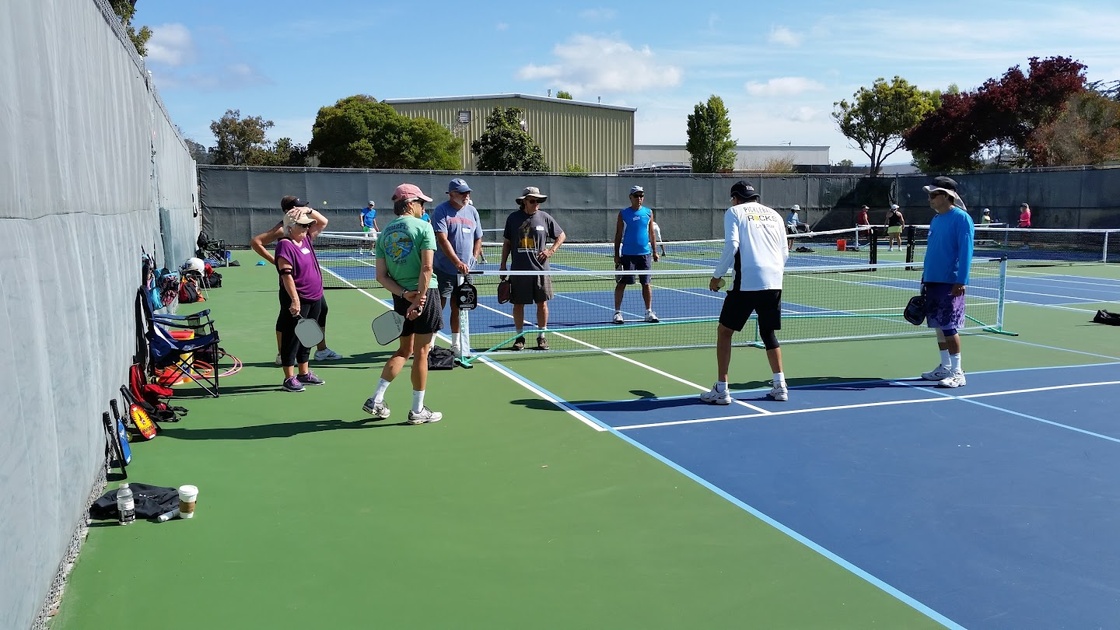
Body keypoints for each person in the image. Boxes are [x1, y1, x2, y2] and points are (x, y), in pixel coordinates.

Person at [701, 181, 790, 405]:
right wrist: (773, 273)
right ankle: (780, 386)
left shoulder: (734, 212)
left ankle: (722, 389)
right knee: (768, 332)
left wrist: (717, 275)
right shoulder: (775, 215)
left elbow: (732, 245)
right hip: (774, 280)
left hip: (747, 282)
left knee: (724, 332)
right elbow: (784, 252)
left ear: (735, 198)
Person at [363, 183, 443, 424]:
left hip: (401, 298)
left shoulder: (385, 233)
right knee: (421, 352)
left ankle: (376, 398)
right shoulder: (424, 227)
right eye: (421, 202)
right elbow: (427, 267)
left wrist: (405, 294)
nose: (423, 207)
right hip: (426, 296)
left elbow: (381, 276)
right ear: (410, 204)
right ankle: (418, 411)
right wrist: (419, 298)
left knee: (403, 350)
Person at [250, 204, 344, 364]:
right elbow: (256, 242)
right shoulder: (284, 232)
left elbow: (323, 221)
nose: (304, 208)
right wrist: (277, 262)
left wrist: (309, 211)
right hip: (293, 287)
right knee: (289, 322)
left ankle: (319, 352)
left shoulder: (305, 233)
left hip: (312, 289)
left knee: (319, 314)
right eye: (300, 206)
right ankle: (284, 357)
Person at [918, 176, 974, 389]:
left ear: (947, 196)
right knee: (939, 326)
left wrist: (961, 280)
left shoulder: (961, 218)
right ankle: (945, 366)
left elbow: (966, 250)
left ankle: (958, 372)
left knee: (950, 326)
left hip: (950, 281)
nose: (930, 199)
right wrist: (925, 277)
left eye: (934, 195)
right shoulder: (936, 219)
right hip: (932, 279)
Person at [500, 186, 566, 351]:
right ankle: (519, 337)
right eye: (532, 200)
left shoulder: (545, 218)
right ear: (524, 202)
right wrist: (503, 265)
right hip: (519, 270)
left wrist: (550, 251)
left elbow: (561, 235)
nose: (536, 203)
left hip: (540, 270)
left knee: (542, 304)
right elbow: (507, 243)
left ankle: (542, 337)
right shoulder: (513, 219)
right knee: (518, 305)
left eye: (538, 200)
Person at [274, 200, 329, 392]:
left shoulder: (305, 239)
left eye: (307, 224)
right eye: (303, 224)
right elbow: (286, 275)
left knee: (309, 336)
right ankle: (289, 377)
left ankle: (304, 373)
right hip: (299, 299)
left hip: (315, 297)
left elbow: (323, 222)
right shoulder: (284, 245)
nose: (307, 227)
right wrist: (295, 300)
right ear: (290, 227)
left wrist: (308, 210)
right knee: (292, 337)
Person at [431, 178, 483, 357]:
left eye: (467, 192)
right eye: (462, 193)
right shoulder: (441, 210)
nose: (466, 195)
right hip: (444, 269)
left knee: (459, 307)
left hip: (466, 272)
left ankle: (456, 345)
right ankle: (429, 344)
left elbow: (478, 238)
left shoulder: (473, 211)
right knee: (438, 305)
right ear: (451, 194)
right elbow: (442, 239)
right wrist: (456, 262)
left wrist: (473, 259)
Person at [612, 185, 660, 324]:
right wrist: (616, 254)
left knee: (646, 284)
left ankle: (648, 312)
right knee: (622, 283)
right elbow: (618, 234)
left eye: (641, 196)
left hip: (645, 254)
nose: (639, 198)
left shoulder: (648, 212)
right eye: (636, 196)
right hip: (628, 255)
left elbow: (651, 233)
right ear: (630, 197)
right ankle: (617, 313)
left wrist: (655, 252)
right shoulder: (623, 213)